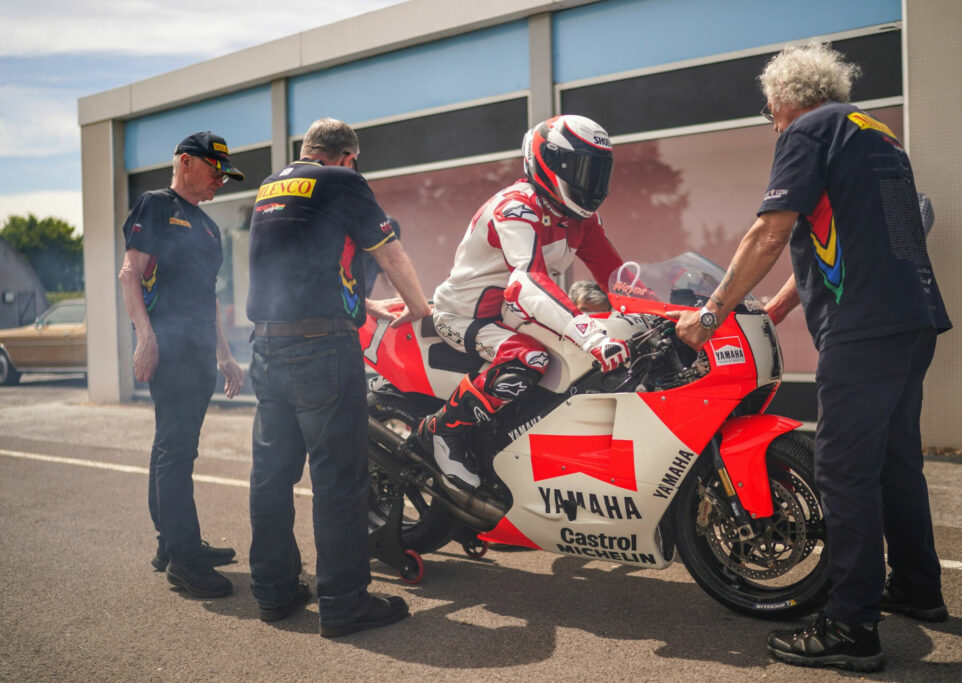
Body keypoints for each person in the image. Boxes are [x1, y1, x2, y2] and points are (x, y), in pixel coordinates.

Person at [669, 43, 952, 673]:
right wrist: (772, 310)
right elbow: (841, 233)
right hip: (915, 319)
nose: (770, 120)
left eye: (768, 109)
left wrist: (710, 314)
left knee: (843, 469)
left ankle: (850, 628)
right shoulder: (873, 132)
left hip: (863, 327)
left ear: (781, 98)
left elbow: (769, 230)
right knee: (895, 460)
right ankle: (917, 587)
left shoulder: (806, 130)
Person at [246, 118, 431, 637]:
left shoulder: (271, 186)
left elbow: (305, 267)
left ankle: (274, 590)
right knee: (338, 479)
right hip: (320, 350)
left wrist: (360, 303)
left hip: (266, 343)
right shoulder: (342, 182)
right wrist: (417, 307)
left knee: (273, 474)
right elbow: (387, 250)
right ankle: (345, 604)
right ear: (347, 157)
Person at [416, 114, 629, 490]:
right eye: (581, 170)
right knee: (530, 359)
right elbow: (527, 280)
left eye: (597, 172)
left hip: (511, 313)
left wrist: (666, 312)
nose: (590, 183)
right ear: (549, 160)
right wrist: (592, 335)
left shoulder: (581, 218)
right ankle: (442, 431)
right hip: (465, 316)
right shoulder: (516, 207)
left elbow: (617, 277)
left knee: (578, 363)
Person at [117, 131, 247, 598]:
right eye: (216, 172)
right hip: (168, 348)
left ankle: (170, 544)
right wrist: (145, 337)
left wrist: (225, 354)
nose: (220, 182)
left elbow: (207, 295)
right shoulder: (155, 204)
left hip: (197, 351)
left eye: (225, 177)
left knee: (173, 446)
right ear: (187, 163)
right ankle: (185, 561)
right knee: (176, 450)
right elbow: (131, 272)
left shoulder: (209, 227)